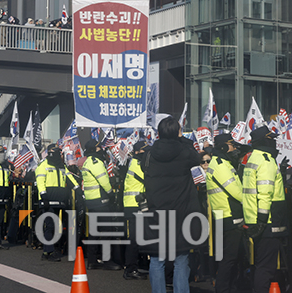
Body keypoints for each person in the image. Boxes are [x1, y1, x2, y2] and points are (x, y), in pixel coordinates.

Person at [142, 116, 204, 293]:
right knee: (181, 260)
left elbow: (143, 168)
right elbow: (196, 158)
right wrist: (181, 138)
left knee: (157, 260)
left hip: (156, 213)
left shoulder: (148, 155)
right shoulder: (184, 152)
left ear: (159, 133)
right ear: (177, 132)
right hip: (182, 214)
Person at [242, 127, 288, 293]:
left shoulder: (253, 158)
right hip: (267, 220)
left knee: (261, 263)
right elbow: (265, 192)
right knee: (266, 267)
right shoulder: (266, 160)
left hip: (254, 218)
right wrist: (262, 219)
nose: (274, 142)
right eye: (271, 138)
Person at [206, 133, 245, 293]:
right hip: (229, 216)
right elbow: (237, 192)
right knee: (229, 259)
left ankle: (230, 287)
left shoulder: (223, 163)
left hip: (226, 216)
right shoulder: (221, 165)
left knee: (232, 258)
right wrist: (252, 201)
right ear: (223, 146)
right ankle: (223, 289)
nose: (234, 148)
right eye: (231, 144)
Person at [81, 139, 121, 270]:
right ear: (94, 149)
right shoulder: (96, 162)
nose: (101, 149)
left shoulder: (87, 161)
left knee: (94, 231)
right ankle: (107, 260)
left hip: (91, 202)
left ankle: (92, 260)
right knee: (106, 230)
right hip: (101, 201)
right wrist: (111, 193)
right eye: (98, 148)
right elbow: (104, 181)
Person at [36, 144, 73, 261]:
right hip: (48, 201)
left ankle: (48, 251)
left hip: (58, 200)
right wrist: (43, 195)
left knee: (55, 226)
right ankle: (49, 251)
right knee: (50, 226)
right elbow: (40, 181)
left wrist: (77, 187)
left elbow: (69, 178)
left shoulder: (61, 166)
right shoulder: (43, 165)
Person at [122, 140, 149, 280]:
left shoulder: (136, 162)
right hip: (134, 206)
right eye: (144, 150)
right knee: (134, 239)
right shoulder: (137, 164)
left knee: (137, 238)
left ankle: (135, 266)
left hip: (134, 205)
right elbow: (148, 179)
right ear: (137, 151)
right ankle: (130, 269)